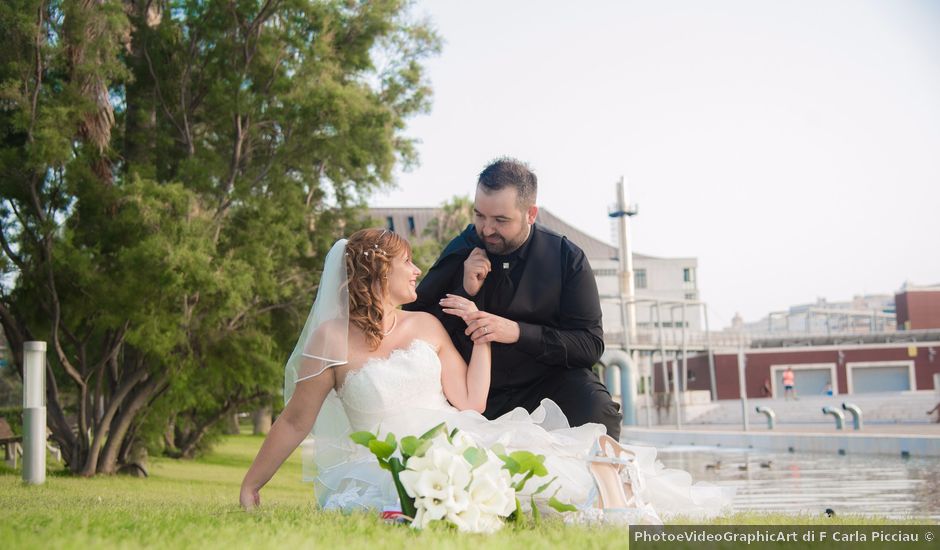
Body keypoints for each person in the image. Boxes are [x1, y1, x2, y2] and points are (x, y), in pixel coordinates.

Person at [240, 228, 728, 521]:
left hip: (456, 439)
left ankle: (620, 498)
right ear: (375, 274)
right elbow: (293, 421)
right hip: (382, 464)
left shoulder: (428, 325)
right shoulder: (330, 339)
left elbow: (471, 402)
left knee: (548, 472)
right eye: (406, 263)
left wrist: (483, 338)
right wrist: (251, 485)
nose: (416, 273)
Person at [404, 158, 623, 439]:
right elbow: (414, 323)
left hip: (548, 382)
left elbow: (590, 345)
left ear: (531, 214)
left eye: (500, 220)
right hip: (473, 388)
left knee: (599, 411)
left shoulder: (567, 258)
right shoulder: (462, 249)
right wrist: (464, 290)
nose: (486, 229)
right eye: (479, 216)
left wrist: (518, 332)